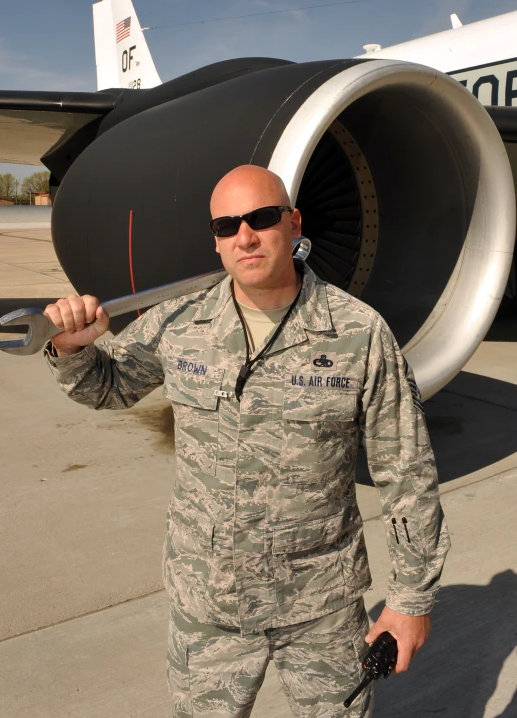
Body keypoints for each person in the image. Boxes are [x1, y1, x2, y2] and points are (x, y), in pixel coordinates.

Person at [44, 164, 450, 717]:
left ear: (293, 222)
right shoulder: (180, 323)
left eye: (261, 218)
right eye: (227, 225)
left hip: (321, 609)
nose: (246, 236)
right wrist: (73, 349)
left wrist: (409, 600)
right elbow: (107, 388)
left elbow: (406, 471)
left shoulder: (359, 333)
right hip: (209, 607)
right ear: (215, 240)